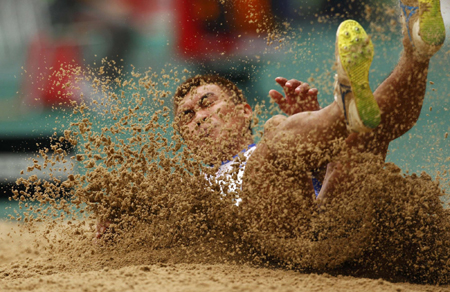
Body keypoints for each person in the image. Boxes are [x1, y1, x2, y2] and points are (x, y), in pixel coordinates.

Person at [173, 0, 445, 203]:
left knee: (359, 136)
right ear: (186, 142)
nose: (200, 117)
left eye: (207, 102)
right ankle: (343, 112)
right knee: (277, 126)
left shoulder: (276, 149)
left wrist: (314, 128)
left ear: (245, 112)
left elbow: (331, 175)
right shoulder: (198, 190)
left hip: (339, 218)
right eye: (188, 116)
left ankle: (417, 52)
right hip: (291, 240)